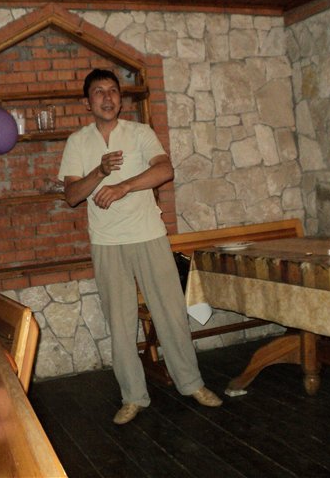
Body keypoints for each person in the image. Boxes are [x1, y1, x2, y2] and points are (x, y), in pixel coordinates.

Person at [58, 69, 222, 425]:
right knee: (121, 325)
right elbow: (71, 195)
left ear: (120, 98)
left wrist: (124, 186)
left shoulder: (140, 132)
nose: (107, 97)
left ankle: (192, 384)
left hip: (149, 235)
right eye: (99, 92)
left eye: (113, 91)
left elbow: (165, 170)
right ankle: (132, 396)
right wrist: (100, 172)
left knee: (171, 315)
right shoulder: (77, 142)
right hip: (107, 243)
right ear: (87, 102)